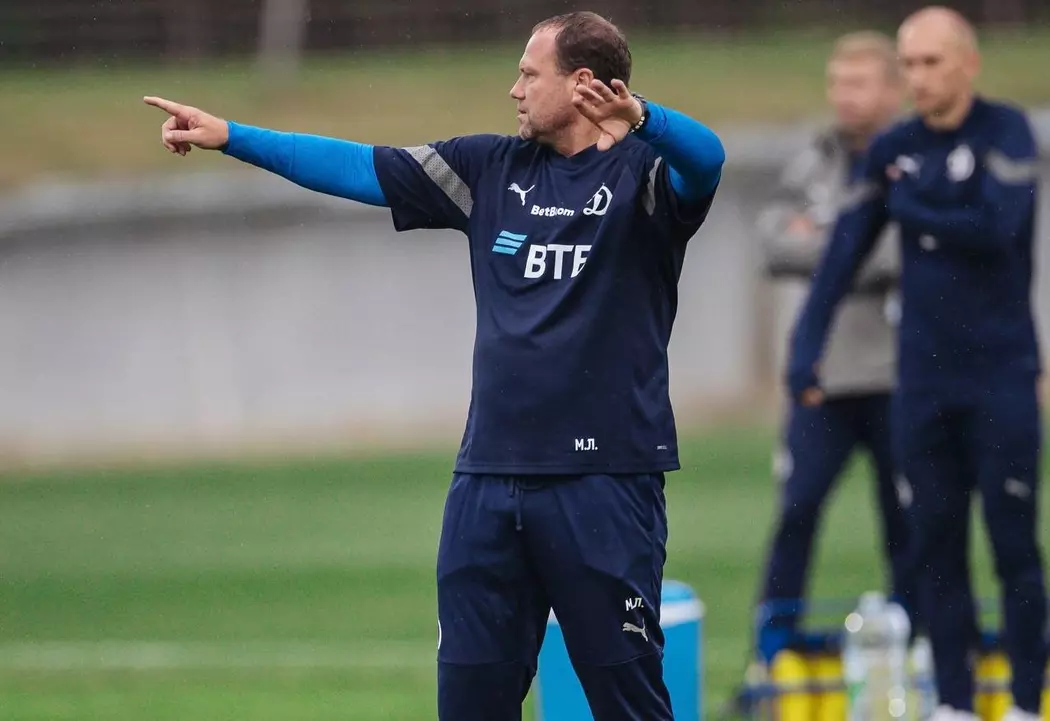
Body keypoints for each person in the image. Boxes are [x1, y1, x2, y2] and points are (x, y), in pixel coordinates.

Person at [145, 11, 725, 721]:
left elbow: (708, 158)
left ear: (582, 84)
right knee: (470, 703)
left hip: (603, 482)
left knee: (628, 703)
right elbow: (360, 166)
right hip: (487, 483)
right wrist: (232, 135)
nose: (514, 89)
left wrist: (643, 118)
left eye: (529, 74)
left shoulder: (645, 178)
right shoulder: (488, 169)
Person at [787, 6, 1045, 721]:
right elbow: (842, 252)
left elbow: (996, 227)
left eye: (932, 62)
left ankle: (1026, 701)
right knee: (935, 542)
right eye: (909, 63)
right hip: (922, 382)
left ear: (968, 64)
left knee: (1013, 542)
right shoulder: (894, 148)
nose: (919, 77)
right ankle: (955, 702)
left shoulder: (1006, 132)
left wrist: (913, 204)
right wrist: (805, 348)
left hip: (1001, 377)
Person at [753, 30, 913, 663]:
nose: (844, 96)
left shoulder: (913, 157)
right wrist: (851, 246)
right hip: (823, 373)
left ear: (893, 90)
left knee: (909, 522)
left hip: (900, 372)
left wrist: (823, 236)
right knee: (795, 513)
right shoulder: (813, 160)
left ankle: (920, 655)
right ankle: (772, 661)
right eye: (837, 83)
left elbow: (901, 253)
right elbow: (772, 244)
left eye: (859, 83)